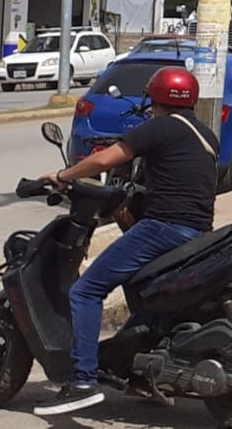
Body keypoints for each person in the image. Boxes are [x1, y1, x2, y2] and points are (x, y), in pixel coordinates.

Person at [34, 65, 218, 416]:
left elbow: (105, 159)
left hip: (163, 227)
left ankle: (82, 380)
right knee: (140, 287)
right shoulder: (204, 133)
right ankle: (141, 371)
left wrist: (62, 175)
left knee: (85, 291)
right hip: (196, 231)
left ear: (156, 97)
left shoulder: (160, 127)